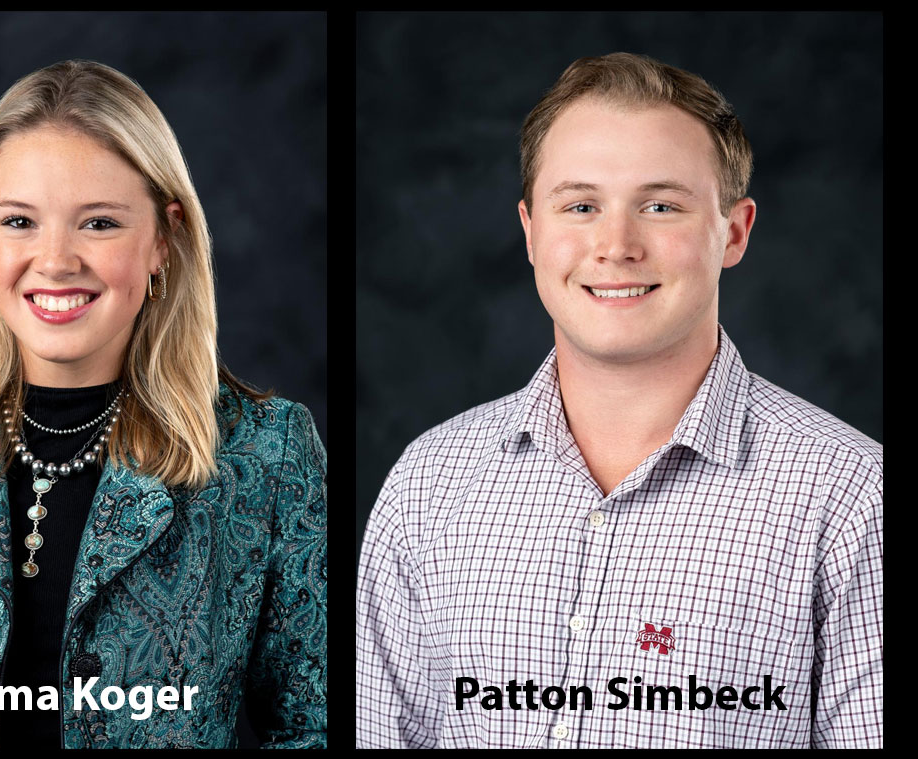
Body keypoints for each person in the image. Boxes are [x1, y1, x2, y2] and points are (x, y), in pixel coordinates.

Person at [356, 53, 880, 749]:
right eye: (579, 206)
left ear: (734, 232)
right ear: (530, 231)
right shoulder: (428, 482)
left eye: (660, 205)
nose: (615, 245)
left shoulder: (849, 496)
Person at [0, 59, 326, 749]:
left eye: (99, 222)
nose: (54, 259)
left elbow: (317, 724)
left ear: (162, 239)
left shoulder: (268, 452)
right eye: (19, 220)